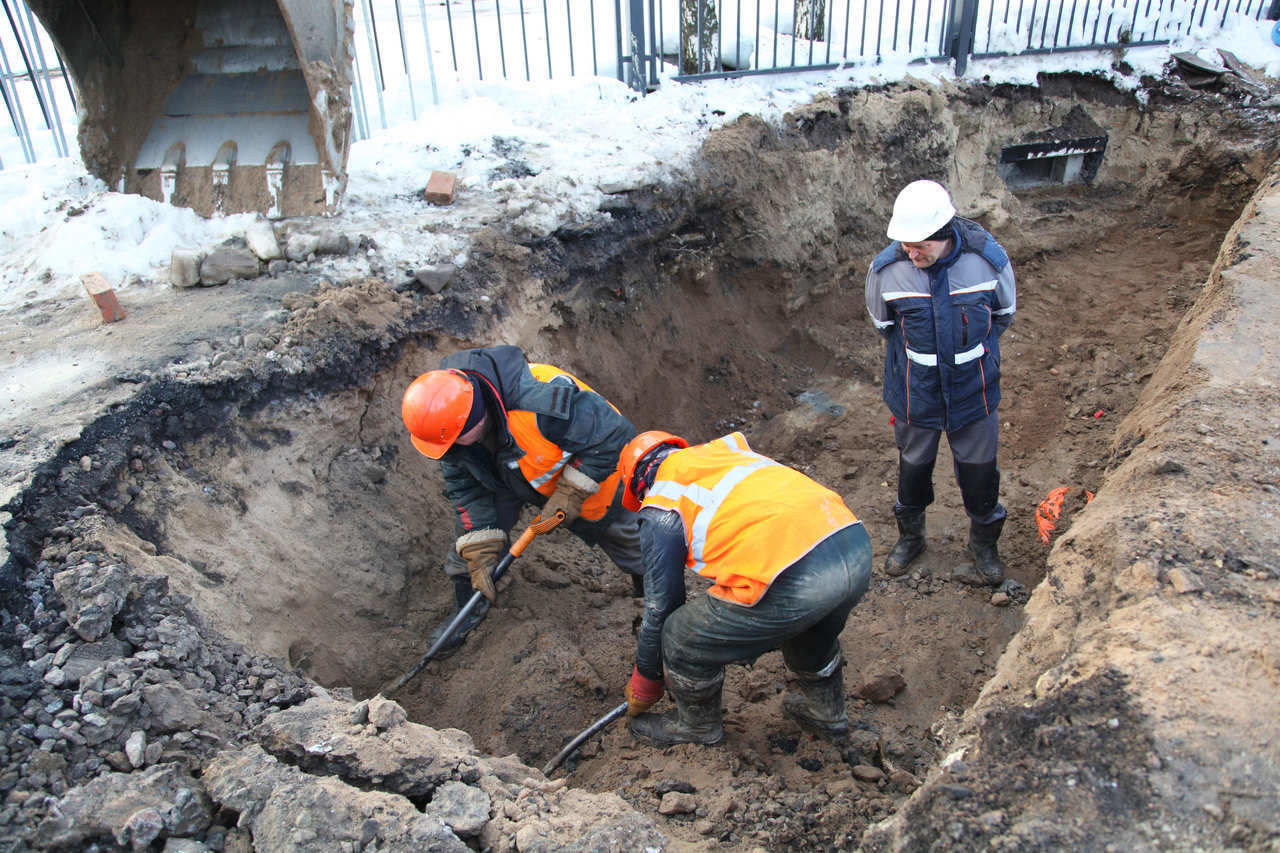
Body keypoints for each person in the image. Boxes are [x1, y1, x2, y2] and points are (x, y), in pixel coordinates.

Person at [617, 430, 872, 746]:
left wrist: (646, 680)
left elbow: (662, 606)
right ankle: (827, 714)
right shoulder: (725, 456)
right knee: (812, 629)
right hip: (852, 543)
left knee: (680, 634)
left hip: (799, 574)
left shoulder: (661, 501)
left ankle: (696, 726)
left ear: (637, 485)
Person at [400, 345, 644, 655]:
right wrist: (479, 541)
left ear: (471, 421)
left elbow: (615, 435)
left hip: (596, 472)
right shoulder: (450, 435)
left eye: (451, 442)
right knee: (469, 553)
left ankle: (654, 601)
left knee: (635, 544)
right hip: (510, 475)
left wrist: (572, 491)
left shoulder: (542, 402)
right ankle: (468, 612)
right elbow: (466, 488)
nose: (448, 451)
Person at [864, 179, 1017, 587]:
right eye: (905, 244)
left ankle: (984, 546)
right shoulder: (887, 270)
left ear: (944, 232)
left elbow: (1002, 316)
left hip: (974, 390)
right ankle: (910, 539)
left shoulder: (988, 261)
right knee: (912, 470)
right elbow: (885, 326)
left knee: (980, 473)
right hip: (917, 394)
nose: (911, 253)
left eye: (920, 245)